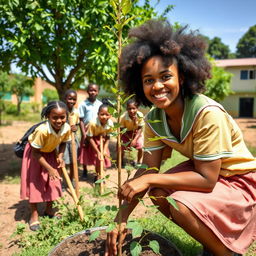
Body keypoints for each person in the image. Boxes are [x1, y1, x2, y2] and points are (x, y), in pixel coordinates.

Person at [105, 20, 256, 256]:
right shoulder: (155, 119)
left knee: (181, 205)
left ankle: (226, 254)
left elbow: (206, 180)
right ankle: (211, 240)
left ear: (182, 77)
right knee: (158, 191)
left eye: (165, 77)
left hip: (240, 180)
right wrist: (120, 218)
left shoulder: (206, 113)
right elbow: (147, 169)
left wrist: (149, 180)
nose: (157, 86)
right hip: (209, 173)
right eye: (148, 80)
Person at [20, 101, 71, 231]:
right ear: (48, 116)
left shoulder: (66, 128)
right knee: (35, 183)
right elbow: (36, 153)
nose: (59, 121)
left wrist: (60, 155)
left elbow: (64, 142)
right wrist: (49, 168)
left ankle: (49, 209)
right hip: (35, 155)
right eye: (55, 117)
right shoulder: (42, 131)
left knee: (52, 182)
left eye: (62, 117)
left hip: (50, 153)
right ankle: (34, 214)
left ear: (66, 116)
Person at [80, 103, 113, 182]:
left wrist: (104, 149)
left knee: (101, 158)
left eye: (107, 114)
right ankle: (85, 171)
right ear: (98, 114)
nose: (104, 117)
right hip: (90, 139)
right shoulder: (92, 123)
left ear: (110, 115)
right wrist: (98, 151)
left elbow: (108, 137)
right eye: (102, 114)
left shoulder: (110, 124)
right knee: (88, 156)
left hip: (102, 139)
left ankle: (98, 175)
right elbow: (89, 137)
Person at [78, 83, 102, 179]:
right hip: (86, 131)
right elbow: (81, 120)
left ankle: (97, 175)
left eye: (95, 90)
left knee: (97, 152)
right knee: (85, 152)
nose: (92, 92)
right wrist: (84, 134)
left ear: (98, 92)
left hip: (97, 131)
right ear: (87, 91)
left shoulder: (100, 104)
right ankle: (84, 171)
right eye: (90, 90)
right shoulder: (83, 104)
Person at [120, 98, 144, 167]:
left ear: (137, 108)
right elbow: (122, 129)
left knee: (140, 146)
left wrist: (134, 139)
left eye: (134, 108)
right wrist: (129, 139)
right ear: (126, 109)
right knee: (121, 147)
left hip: (136, 133)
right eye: (129, 109)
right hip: (125, 133)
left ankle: (138, 162)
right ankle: (121, 162)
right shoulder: (123, 117)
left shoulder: (140, 115)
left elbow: (140, 128)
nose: (131, 111)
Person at [63, 89, 80, 186]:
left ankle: (71, 179)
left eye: (74, 99)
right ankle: (63, 182)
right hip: (63, 140)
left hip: (73, 139)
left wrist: (75, 128)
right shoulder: (61, 110)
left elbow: (76, 125)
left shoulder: (76, 112)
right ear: (65, 99)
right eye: (70, 99)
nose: (72, 101)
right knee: (64, 162)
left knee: (73, 162)